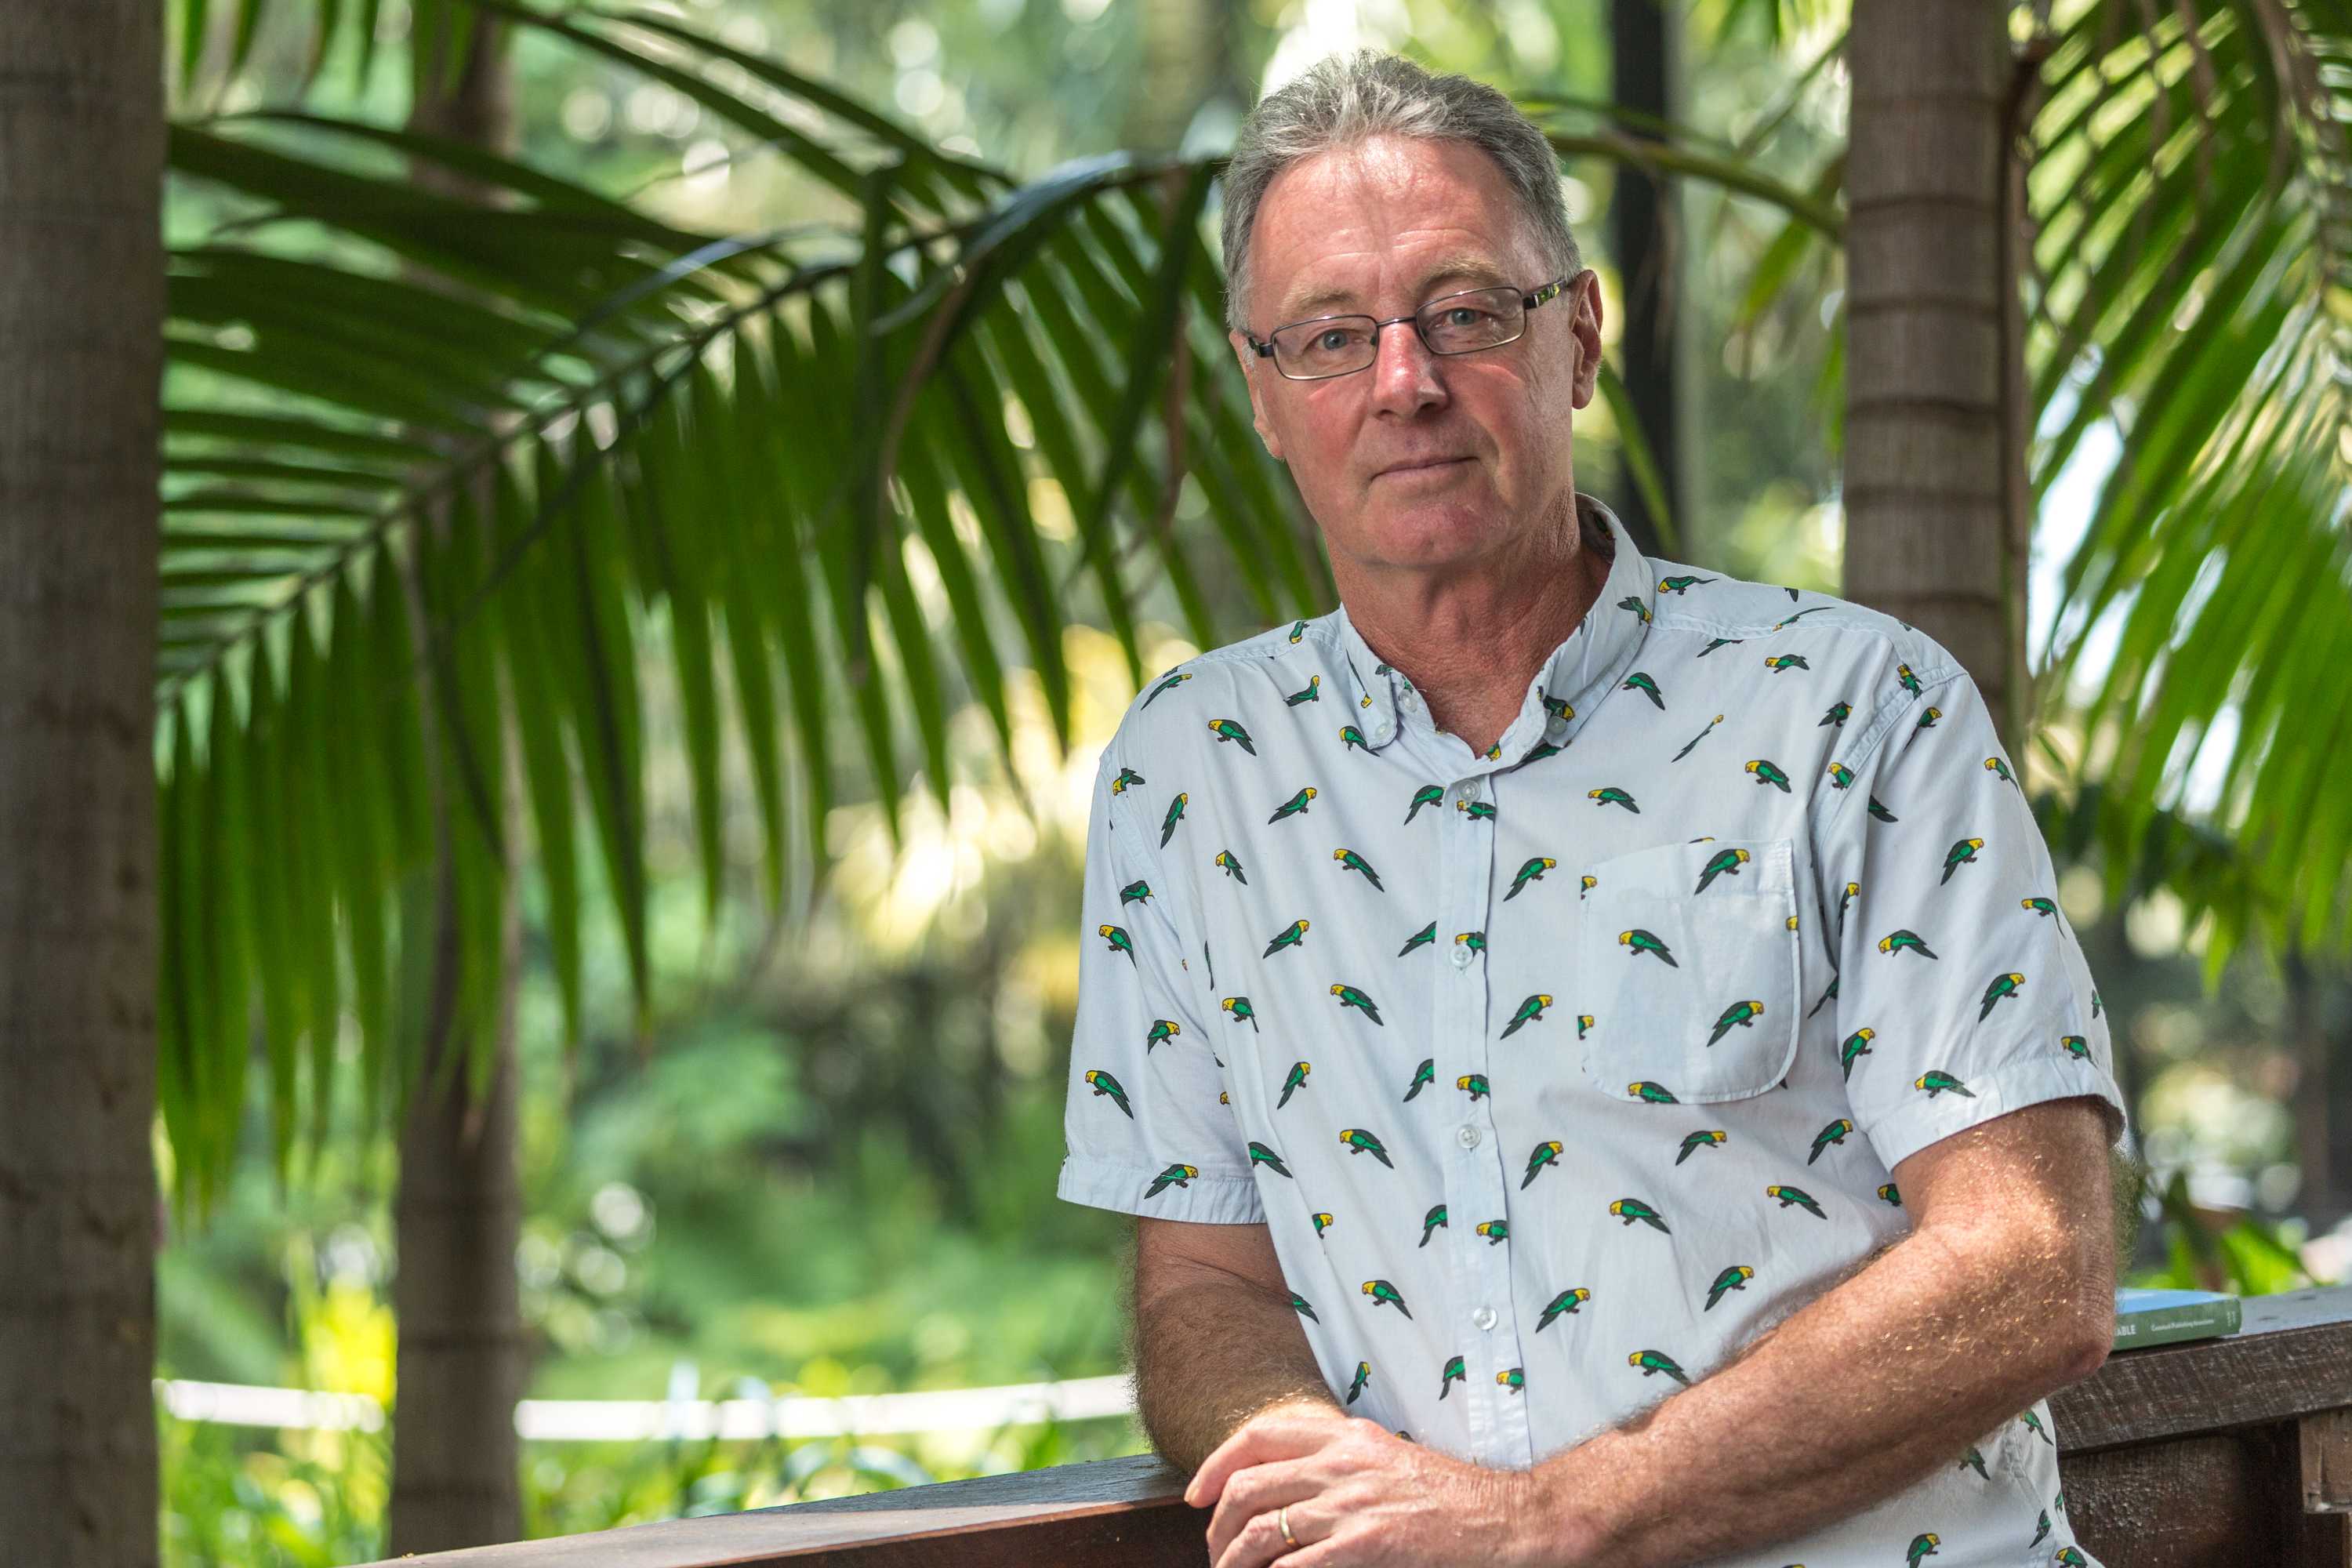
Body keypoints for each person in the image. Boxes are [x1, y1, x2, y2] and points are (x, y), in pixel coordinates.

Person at [1056, 49, 2128, 1568]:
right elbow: (1204, 1284)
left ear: (1578, 336)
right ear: (1263, 394)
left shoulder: (1852, 706)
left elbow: (2033, 1262)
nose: (1404, 382)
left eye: (1465, 313)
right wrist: (1322, 1474)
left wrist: (1541, 1524)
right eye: (1333, 336)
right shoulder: (1189, 771)